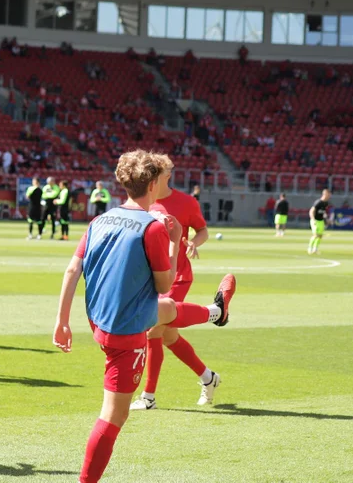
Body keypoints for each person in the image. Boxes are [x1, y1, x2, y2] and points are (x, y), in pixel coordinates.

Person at [53, 150, 236, 483]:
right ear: (153, 184)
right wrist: (176, 238)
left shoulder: (99, 220)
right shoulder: (152, 229)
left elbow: (72, 268)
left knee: (162, 315)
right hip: (125, 332)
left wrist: (62, 321)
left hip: (99, 320)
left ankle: (215, 313)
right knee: (113, 416)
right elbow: (165, 282)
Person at [130, 156, 217, 412]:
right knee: (168, 335)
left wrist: (193, 243)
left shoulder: (186, 202)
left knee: (153, 329)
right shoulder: (143, 200)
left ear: (167, 175)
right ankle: (208, 377)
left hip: (176, 276)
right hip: (150, 276)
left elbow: (202, 231)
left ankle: (148, 397)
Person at [309, 189, 331, 255]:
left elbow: (323, 212)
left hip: (321, 221)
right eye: (328, 194)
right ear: (325, 194)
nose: (329, 196)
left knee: (320, 236)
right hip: (315, 220)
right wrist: (313, 219)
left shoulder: (326, 203)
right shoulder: (318, 202)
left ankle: (315, 249)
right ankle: (310, 248)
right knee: (315, 235)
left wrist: (327, 219)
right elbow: (311, 211)